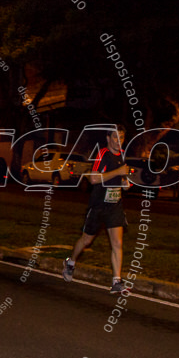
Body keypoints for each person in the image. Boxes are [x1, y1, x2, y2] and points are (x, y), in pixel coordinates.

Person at [62, 126, 131, 293]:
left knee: (117, 243)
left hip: (115, 206)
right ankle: (70, 263)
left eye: (121, 137)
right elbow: (93, 179)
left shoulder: (121, 156)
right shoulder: (103, 154)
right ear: (108, 139)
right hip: (98, 206)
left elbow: (121, 180)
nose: (118, 141)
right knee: (86, 240)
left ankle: (117, 281)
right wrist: (118, 172)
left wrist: (125, 182)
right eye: (115, 137)